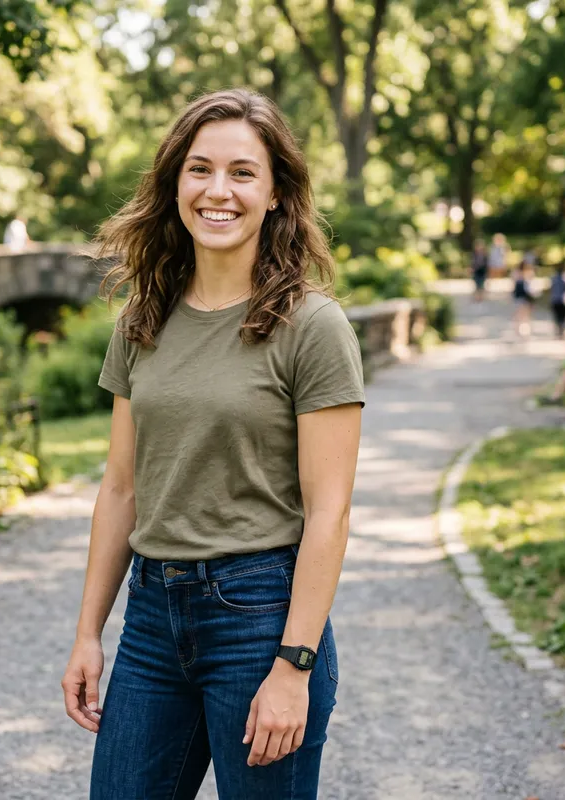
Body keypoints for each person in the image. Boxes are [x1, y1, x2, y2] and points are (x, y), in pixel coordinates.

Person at [60, 89, 365, 799]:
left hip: (261, 618)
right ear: (175, 183)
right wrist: (87, 634)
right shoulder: (143, 318)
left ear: (276, 194)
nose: (217, 190)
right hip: (151, 621)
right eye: (199, 169)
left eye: (242, 172)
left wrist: (293, 664)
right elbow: (122, 489)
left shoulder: (313, 326)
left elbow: (330, 512)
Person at [511, 259, 535, 338]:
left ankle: (523, 329)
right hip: (522, 296)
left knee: (522, 314)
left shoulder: (522, 273)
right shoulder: (520, 274)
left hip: (522, 297)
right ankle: (522, 329)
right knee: (523, 314)